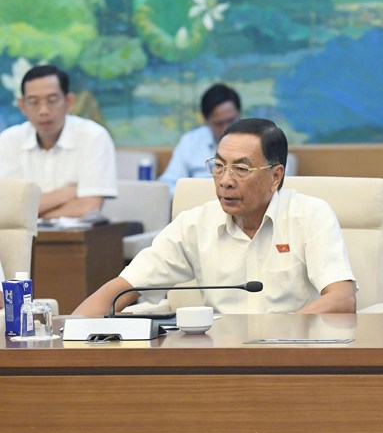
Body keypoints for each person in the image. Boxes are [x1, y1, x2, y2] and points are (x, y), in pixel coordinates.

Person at [73, 118, 356, 316]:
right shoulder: (195, 224)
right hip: (221, 356)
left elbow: (342, 299)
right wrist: (70, 335)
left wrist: (280, 334)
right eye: (218, 166)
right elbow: (122, 289)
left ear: (275, 176)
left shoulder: (309, 215)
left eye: (241, 169)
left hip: (295, 354)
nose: (225, 180)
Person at [0, 65, 117, 218]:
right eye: (34, 102)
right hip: (21, 235)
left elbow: (88, 207)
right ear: (22, 106)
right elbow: (7, 208)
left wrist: (29, 214)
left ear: (69, 101)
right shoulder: (9, 140)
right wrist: (66, 194)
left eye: (52, 100)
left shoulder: (93, 137)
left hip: (78, 233)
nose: (43, 111)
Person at [159, 83, 242, 194]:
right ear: (206, 120)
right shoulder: (190, 141)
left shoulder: (254, 141)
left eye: (231, 121)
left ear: (239, 114)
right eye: (218, 123)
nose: (226, 128)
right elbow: (168, 184)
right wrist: (192, 195)